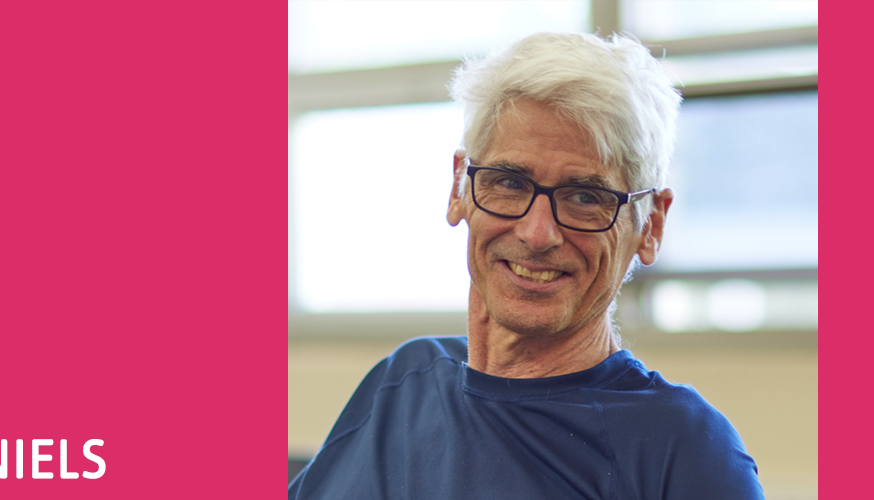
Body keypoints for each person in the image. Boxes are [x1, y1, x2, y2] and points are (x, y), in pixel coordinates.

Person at [289, 32, 764, 500]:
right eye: (509, 183)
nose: (537, 234)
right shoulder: (404, 384)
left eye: (586, 197)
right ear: (459, 188)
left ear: (651, 226)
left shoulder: (682, 448)